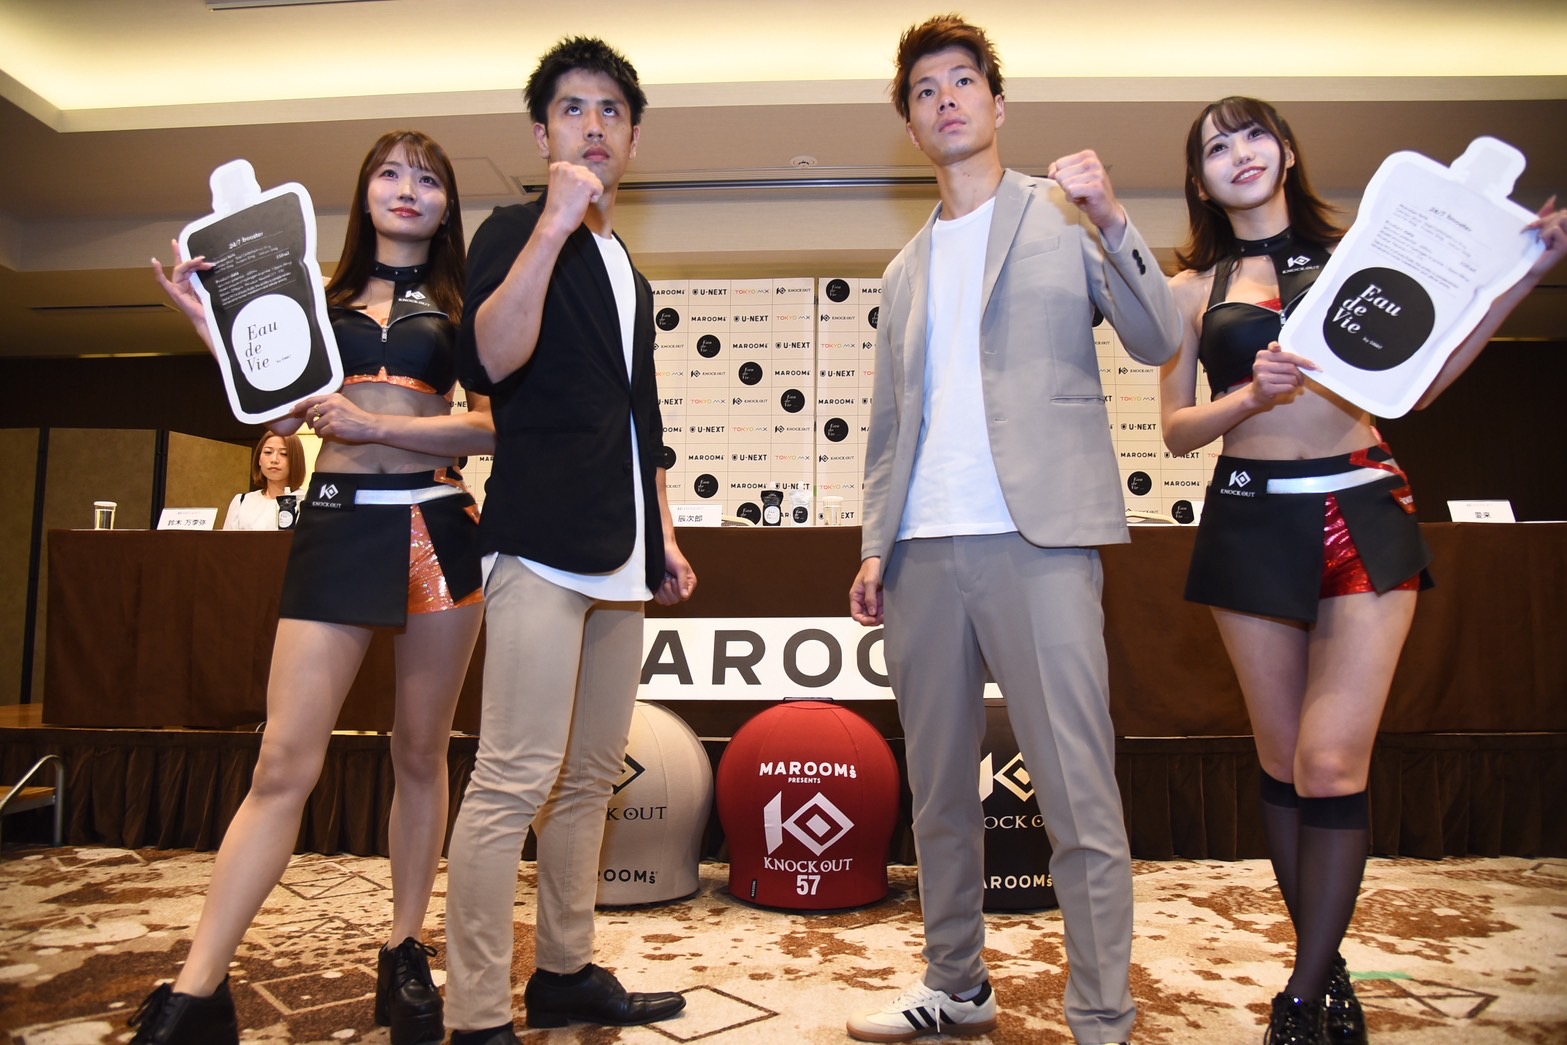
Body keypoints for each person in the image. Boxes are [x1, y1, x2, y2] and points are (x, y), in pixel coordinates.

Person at [1159, 96, 1567, 1045]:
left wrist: (1523, 277)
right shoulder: (1185, 290)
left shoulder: (1364, 252)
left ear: (1285, 150)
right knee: (1278, 762)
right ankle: (1326, 961)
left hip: (1360, 505)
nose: (1238, 153)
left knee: (1328, 761)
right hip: (1249, 516)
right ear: (1201, 182)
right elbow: (1175, 429)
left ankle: (1300, 1001)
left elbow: (1422, 379)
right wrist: (1245, 395)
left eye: (1252, 134)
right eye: (1216, 146)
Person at [846, 15, 1181, 1045]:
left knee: (1076, 789)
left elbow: (1159, 336)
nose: (944, 98)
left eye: (961, 80)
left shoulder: (1063, 215)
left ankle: (1102, 1014)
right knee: (939, 793)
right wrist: (873, 545)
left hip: (1038, 542)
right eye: (923, 90)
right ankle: (956, 984)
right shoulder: (902, 269)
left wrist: (1112, 214)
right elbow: (889, 426)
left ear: (997, 103)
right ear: (910, 125)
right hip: (921, 554)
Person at [136, 129, 493, 1045]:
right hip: (336, 521)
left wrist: (379, 424)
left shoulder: (468, 305)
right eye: (390, 173)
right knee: (283, 762)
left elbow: (493, 428)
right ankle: (198, 989)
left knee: (421, 753)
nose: (407, 189)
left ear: (446, 205)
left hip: (436, 527)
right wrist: (209, 320)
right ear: (364, 192)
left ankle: (403, 951)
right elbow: (272, 391)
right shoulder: (316, 297)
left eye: (427, 178)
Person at [440, 37, 695, 1045]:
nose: (593, 125)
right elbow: (491, 361)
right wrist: (552, 222)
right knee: (511, 779)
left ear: (633, 138)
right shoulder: (514, 229)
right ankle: (473, 1013)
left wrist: (662, 535)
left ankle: (564, 970)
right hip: (538, 544)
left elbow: (643, 419)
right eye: (572, 108)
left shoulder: (629, 267)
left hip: (621, 555)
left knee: (590, 776)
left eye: (611, 110)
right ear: (540, 132)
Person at [222, 430, 305, 530]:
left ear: (296, 460)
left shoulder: (305, 502)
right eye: (268, 452)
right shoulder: (242, 501)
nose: (274, 460)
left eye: (284, 454)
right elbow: (226, 539)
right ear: (259, 459)